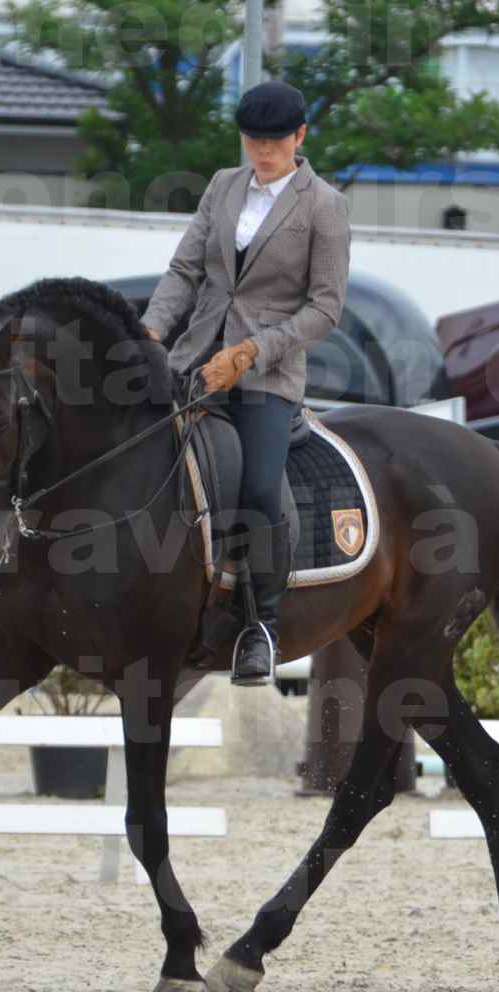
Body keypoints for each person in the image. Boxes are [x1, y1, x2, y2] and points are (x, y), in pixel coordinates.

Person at [141, 79, 351, 683]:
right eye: (254, 141)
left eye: (275, 143)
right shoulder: (222, 187)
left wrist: (251, 351)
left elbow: (325, 308)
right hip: (193, 359)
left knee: (258, 488)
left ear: (300, 136)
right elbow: (185, 269)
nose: (263, 154)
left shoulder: (323, 206)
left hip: (268, 376)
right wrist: (151, 332)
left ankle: (262, 626)